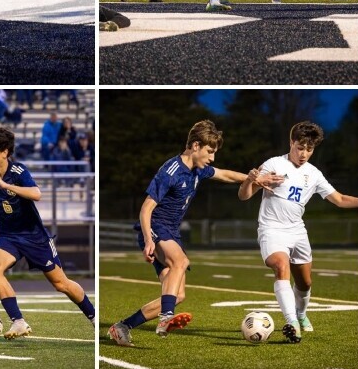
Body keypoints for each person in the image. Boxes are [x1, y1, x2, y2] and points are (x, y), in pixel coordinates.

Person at [107, 121, 282, 347]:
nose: (212, 158)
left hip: (171, 232)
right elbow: (146, 208)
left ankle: (122, 326)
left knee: (177, 295)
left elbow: (226, 175)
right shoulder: (170, 170)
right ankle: (165, 318)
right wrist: (149, 240)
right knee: (180, 261)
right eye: (210, 152)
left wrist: (255, 179)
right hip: (156, 226)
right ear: (196, 145)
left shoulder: (198, 170)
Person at [238, 121, 358, 343]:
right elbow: (244, 196)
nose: (304, 154)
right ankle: (292, 322)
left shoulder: (313, 174)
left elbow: (340, 200)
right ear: (291, 143)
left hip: (297, 231)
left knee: (305, 283)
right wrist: (249, 180)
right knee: (280, 265)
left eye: (309, 149)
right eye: (300, 147)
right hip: (271, 229)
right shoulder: (273, 164)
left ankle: (301, 315)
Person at [0, 126, 95, 338]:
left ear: (5, 152)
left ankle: (93, 316)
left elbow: (36, 194)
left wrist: (5, 186)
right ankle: (19, 322)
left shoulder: (18, 172)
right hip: (8, 236)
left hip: (35, 237)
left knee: (61, 284)